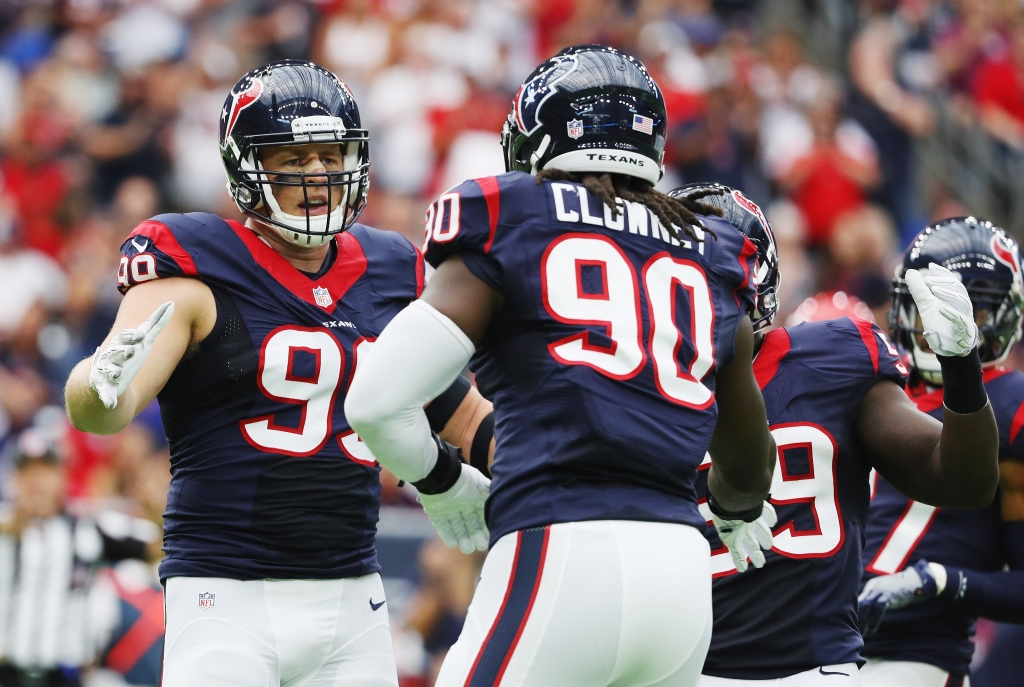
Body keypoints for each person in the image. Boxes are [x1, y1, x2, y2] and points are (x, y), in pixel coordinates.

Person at [346, 45, 776, 687]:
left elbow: (376, 402)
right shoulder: (712, 251)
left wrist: (442, 483)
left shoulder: (517, 216)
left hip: (560, 547)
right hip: (682, 581)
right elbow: (746, 467)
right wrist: (737, 510)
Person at [63, 60, 494, 687]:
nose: (318, 175)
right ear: (248, 168)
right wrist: (92, 383)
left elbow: (460, 413)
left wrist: (561, 468)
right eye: (293, 159)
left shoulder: (388, 267)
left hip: (353, 597)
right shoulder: (196, 264)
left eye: (330, 154)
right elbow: (107, 404)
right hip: (223, 595)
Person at [675, 189, 1001, 686]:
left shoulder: (835, 356)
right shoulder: (634, 380)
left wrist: (961, 367)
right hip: (674, 665)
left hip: (812, 669)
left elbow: (960, 481)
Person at [858, 217, 1024, 687]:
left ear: (1004, 315)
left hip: (913, 654)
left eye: (969, 310)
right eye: (924, 307)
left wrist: (940, 581)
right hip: (816, 641)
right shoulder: (876, 385)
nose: (938, 326)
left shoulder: (1012, 406)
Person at [0, 429, 157, 687]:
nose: (37, 480)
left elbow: (153, 550)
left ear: (61, 476)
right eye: (28, 471)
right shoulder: (4, 527)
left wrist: (160, 516)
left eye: (46, 470)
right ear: (14, 477)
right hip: (7, 673)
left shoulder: (87, 531)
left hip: (65, 675)